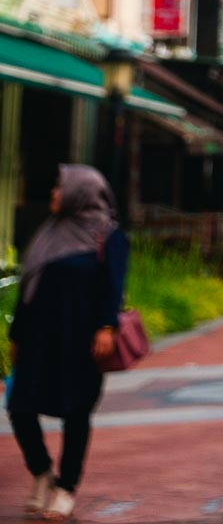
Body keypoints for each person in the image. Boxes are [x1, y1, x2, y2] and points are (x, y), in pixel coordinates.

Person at [8, 164, 129, 522]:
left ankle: (66, 488)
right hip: (38, 335)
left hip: (82, 338)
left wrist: (107, 327)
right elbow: (29, 285)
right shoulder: (49, 231)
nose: (54, 194)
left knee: (76, 413)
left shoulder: (108, 235)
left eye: (60, 188)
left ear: (81, 191)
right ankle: (42, 472)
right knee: (19, 406)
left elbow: (113, 285)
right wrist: (18, 334)